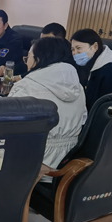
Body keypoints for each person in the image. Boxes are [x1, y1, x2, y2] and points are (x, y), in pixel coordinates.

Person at [8, 37, 86, 173]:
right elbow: (83, 120)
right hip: (67, 163)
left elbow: (7, 125)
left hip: (32, 161)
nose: (27, 62)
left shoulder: (27, 85)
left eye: (28, 57)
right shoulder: (78, 87)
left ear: (39, 59)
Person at [71, 28, 112, 110]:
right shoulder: (85, 65)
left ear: (95, 47)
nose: (75, 53)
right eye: (73, 49)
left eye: (78, 48)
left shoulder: (111, 70)